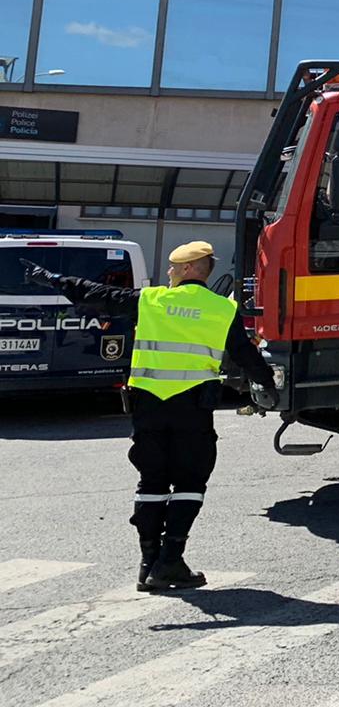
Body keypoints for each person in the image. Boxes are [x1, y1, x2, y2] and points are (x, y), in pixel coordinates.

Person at [22, 240, 278, 591]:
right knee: (190, 481)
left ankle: (148, 561)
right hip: (193, 407)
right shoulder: (222, 309)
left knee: (152, 481)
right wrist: (268, 387)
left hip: (148, 407)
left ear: (189, 269)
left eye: (174, 267)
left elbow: (100, 295)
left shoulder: (152, 300)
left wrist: (54, 279)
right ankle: (170, 559)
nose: (170, 272)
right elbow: (244, 353)